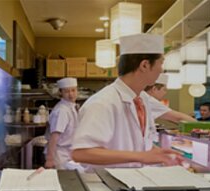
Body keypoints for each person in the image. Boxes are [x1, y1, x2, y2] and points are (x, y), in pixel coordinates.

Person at [71, 34, 182, 168]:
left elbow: (137, 144)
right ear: (145, 65)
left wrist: (160, 154)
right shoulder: (103, 102)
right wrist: (141, 156)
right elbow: (81, 153)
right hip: (105, 185)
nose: (162, 70)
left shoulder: (142, 99)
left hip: (131, 183)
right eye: (161, 63)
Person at [45, 77, 81, 169]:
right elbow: (54, 137)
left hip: (69, 153)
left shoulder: (72, 107)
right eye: (67, 91)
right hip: (59, 155)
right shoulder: (62, 111)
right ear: (61, 93)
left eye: (73, 90)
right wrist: (50, 159)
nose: (71, 94)